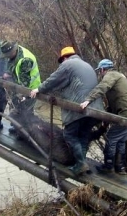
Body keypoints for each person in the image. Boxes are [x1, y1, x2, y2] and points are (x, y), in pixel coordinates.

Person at [30, 46, 104, 176]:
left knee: (69, 135)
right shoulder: (86, 65)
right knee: (84, 135)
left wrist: (39, 89)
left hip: (79, 107)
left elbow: (54, 79)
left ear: (64, 58)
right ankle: (81, 162)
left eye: (62, 60)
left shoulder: (68, 64)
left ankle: (80, 163)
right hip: (96, 108)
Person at [80, 59, 127, 175]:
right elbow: (114, 106)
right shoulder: (118, 77)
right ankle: (120, 168)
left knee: (111, 137)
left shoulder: (111, 75)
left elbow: (103, 87)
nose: (100, 74)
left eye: (100, 71)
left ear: (103, 70)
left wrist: (88, 99)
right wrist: (106, 121)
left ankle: (108, 166)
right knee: (121, 140)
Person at [0, 40, 41, 133]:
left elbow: (24, 84)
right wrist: (8, 73)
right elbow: (12, 64)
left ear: (13, 51)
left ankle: (26, 133)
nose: (6, 57)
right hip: (19, 84)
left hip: (31, 88)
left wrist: (21, 97)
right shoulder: (15, 53)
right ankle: (17, 127)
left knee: (25, 111)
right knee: (16, 106)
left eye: (8, 55)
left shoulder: (25, 60)